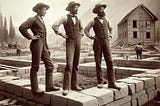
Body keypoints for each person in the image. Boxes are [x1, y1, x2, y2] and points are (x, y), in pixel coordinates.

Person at [19, 3, 60, 94]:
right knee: (35, 66)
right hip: (36, 45)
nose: (45, 11)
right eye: (44, 9)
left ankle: (49, 87)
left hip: (43, 45)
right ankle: (35, 88)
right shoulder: (33, 19)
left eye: (45, 9)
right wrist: (31, 37)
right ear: (38, 10)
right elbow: (22, 27)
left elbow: (44, 36)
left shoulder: (42, 20)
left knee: (50, 65)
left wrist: (47, 48)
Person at [84, 3, 121, 90]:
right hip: (97, 43)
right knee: (98, 62)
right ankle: (100, 82)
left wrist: (111, 36)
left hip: (106, 42)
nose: (103, 10)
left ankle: (111, 83)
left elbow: (111, 28)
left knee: (110, 61)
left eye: (103, 9)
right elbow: (86, 29)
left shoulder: (107, 19)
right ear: (97, 11)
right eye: (100, 9)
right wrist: (91, 36)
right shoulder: (93, 21)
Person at [52, 1, 83, 95]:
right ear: (70, 8)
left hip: (78, 42)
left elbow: (82, 29)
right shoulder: (65, 17)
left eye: (77, 7)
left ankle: (74, 85)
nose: (77, 8)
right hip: (70, 42)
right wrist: (62, 34)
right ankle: (66, 87)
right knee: (69, 65)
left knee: (76, 64)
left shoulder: (78, 18)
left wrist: (81, 35)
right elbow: (54, 25)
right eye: (75, 7)